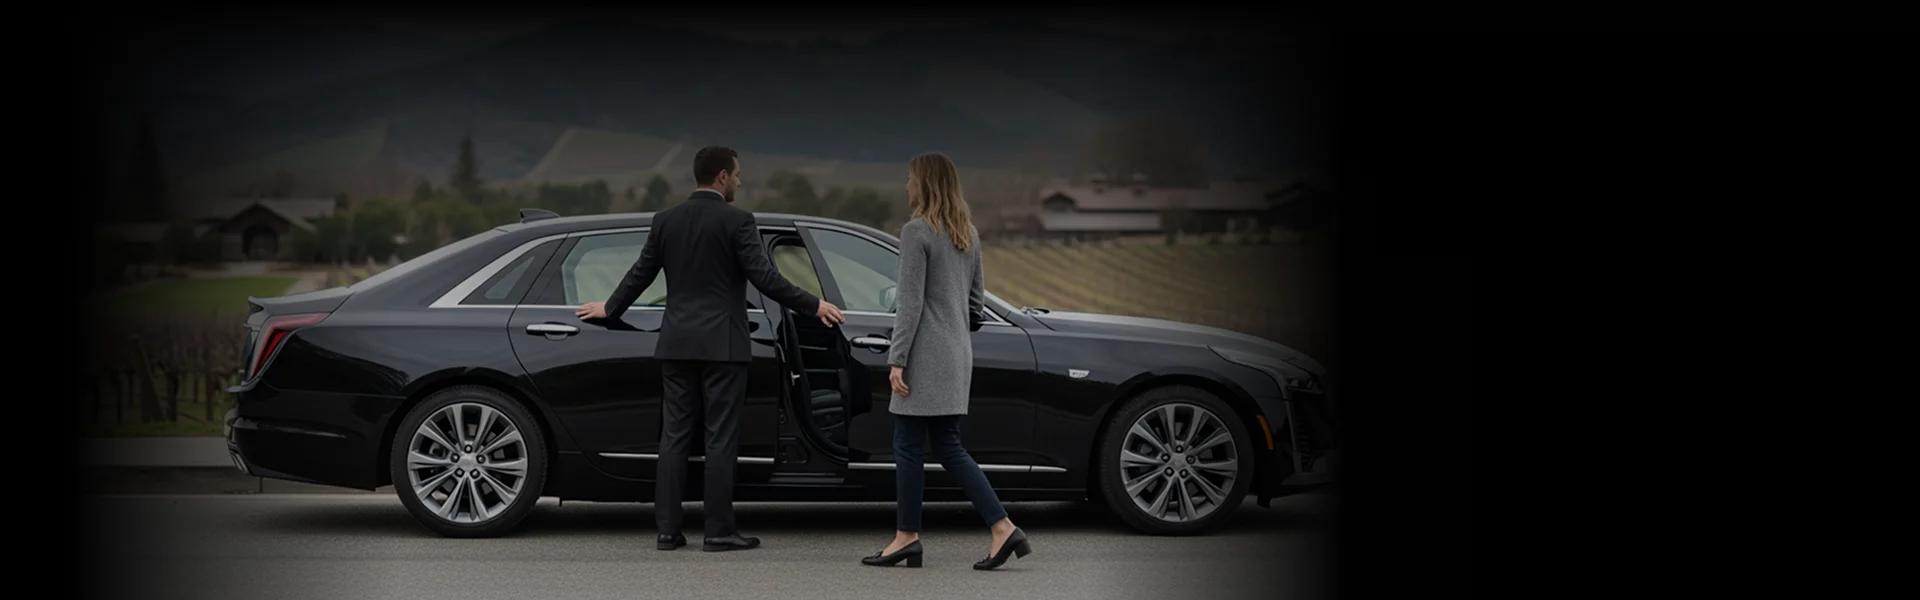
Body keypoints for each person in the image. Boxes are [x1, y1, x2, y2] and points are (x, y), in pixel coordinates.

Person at [576, 145, 846, 552]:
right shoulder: (737, 221)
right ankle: (718, 531)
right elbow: (764, 277)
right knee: (720, 438)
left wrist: (609, 307)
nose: (739, 181)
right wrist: (814, 304)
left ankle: (668, 531)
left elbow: (641, 272)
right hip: (723, 345)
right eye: (737, 175)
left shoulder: (666, 220)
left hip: (677, 344)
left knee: (675, 437)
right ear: (721, 176)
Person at [860, 152, 1031, 570]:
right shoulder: (966, 233)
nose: (906, 186)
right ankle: (997, 528)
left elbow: (910, 303)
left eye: (910, 179)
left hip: (924, 356)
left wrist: (897, 358)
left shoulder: (916, 232)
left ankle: (911, 537)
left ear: (925, 184)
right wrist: (951, 323)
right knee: (947, 445)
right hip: (957, 355)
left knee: (908, 445)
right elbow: (975, 306)